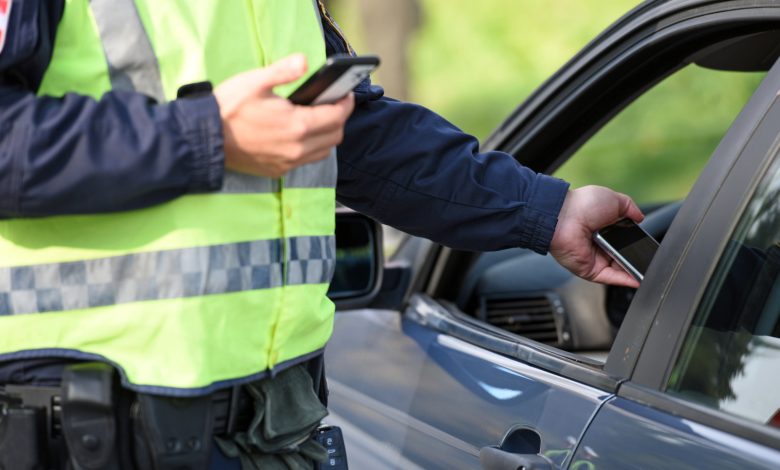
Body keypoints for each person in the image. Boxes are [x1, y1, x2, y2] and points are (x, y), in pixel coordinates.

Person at [0, 1, 642, 468]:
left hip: (275, 426)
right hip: (87, 427)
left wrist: (545, 211)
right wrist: (207, 137)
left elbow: (351, 136)